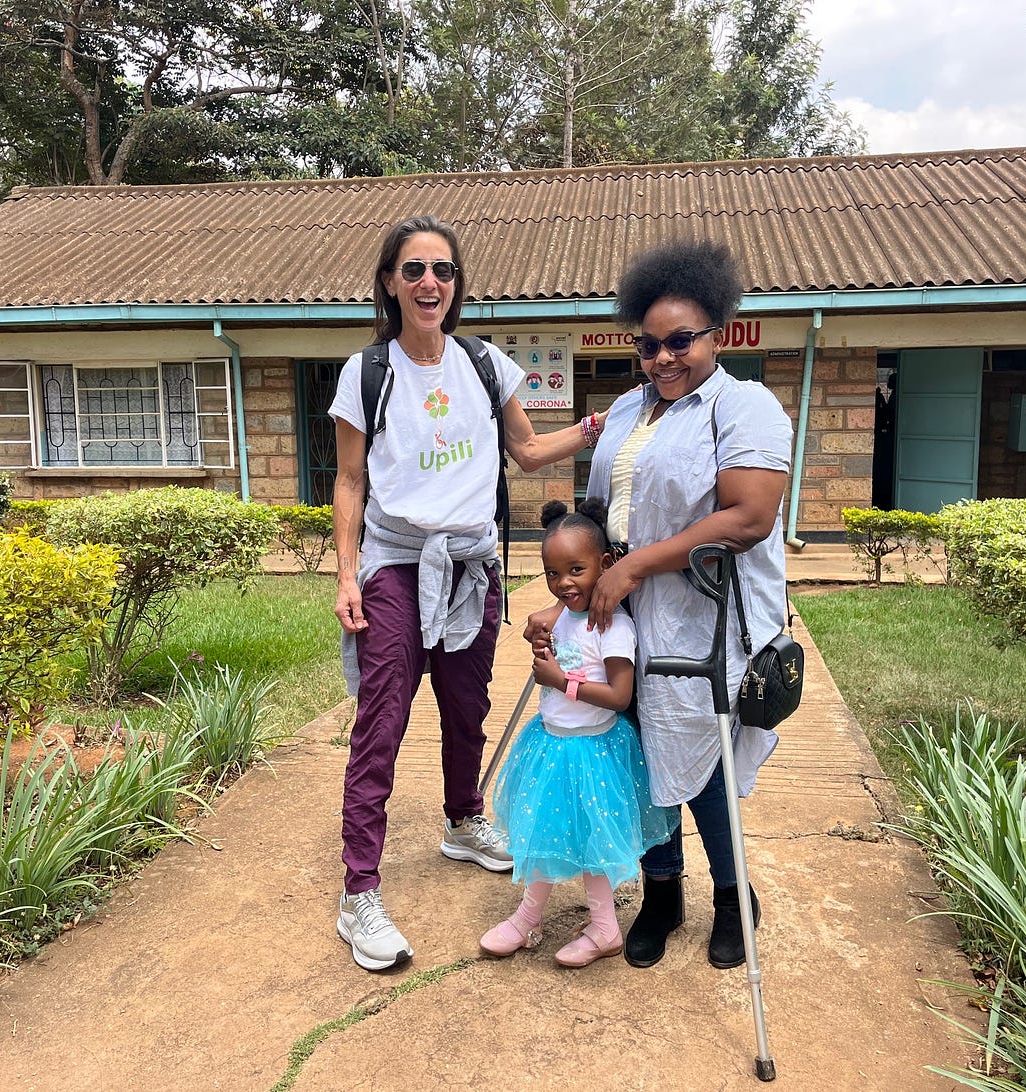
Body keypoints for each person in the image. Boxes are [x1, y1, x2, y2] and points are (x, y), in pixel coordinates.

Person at [328, 214, 612, 972]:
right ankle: (360, 893)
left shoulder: (485, 366)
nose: (430, 283)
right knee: (381, 721)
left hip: (471, 567)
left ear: (457, 285)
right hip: (395, 564)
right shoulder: (367, 372)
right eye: (415, 269)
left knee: (467, 708)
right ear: (391, 281)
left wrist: (592, 427)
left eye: (444, 271)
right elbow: (350, 480)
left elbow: (524, 450)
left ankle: (462, 819)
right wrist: (346, 572)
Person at [527, 238, 792, 970]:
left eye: (681, 341)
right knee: (640, 758)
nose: (664, 358)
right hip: (624, 621)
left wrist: (636, 565)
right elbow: (593, 517)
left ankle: (735, 896)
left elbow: (748, 517)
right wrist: (570, 597)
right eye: (648, 345)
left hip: (707, 622)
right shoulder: (625, 410)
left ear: (721, 334)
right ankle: (664, 894)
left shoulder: (746, 408)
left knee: (700, 763)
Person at [481, 499, 676, 968]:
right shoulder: (563, 617)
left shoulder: (614, 627)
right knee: (544, 833)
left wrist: (560, 681)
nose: (563, 583)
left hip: (594, 752)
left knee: (594, 843)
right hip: (550, 745)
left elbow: (619, 696)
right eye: (552, 573)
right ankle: (529, 916)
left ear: (605, 566)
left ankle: (605, 927)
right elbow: (562, 647)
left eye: (576, 569)